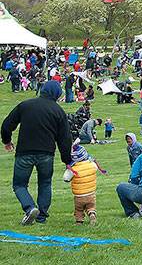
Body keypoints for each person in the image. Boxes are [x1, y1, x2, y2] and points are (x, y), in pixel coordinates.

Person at [2, 79, 73, 225]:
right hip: (46, 154)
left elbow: (6, 125)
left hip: (24, 152)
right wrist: (67, 160)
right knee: (45, 183)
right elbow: (65, 139)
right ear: (57, 94)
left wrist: (7, 141)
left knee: (19, 185)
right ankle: (41, 216)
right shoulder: (58, 111)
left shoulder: (25, 105)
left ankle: (29, 208)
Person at [64, 143, 100, 224]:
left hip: (79, 196)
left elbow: (66, 178)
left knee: (79, 209)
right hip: (91, 194)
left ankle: (79, 221)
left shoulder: (73, 169)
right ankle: (92, 213)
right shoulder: (92, 165)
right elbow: (96, 168)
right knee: (91, 207)